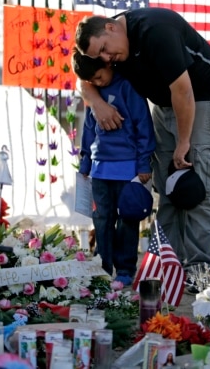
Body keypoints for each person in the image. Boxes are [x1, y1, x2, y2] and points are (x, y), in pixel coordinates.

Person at [75, 7, 210, 290]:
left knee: (198, 185)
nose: (105, 59)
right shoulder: (111, 47)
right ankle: (165, 268)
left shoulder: (154, 29)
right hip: (165, 104)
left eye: (104, 50)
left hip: (205, 97)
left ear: (111, 28)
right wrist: (96, 102)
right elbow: (85, 77)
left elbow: (183, 90)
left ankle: (199, 275)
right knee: (167, 186)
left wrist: (184, 143)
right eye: (98, 57)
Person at [73, 49, 155, 286]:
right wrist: (85, 163)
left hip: (128, 170)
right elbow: (89, 131)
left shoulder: (128, 87)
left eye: (100, 77)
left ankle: (126, 270)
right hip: (100, 171)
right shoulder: (94, 96)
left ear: (108, 64)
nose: (98, 83)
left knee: (128, 220)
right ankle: (102, 267)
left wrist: (142, 163)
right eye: (93, 81)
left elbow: (143, 126)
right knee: (102, 219)